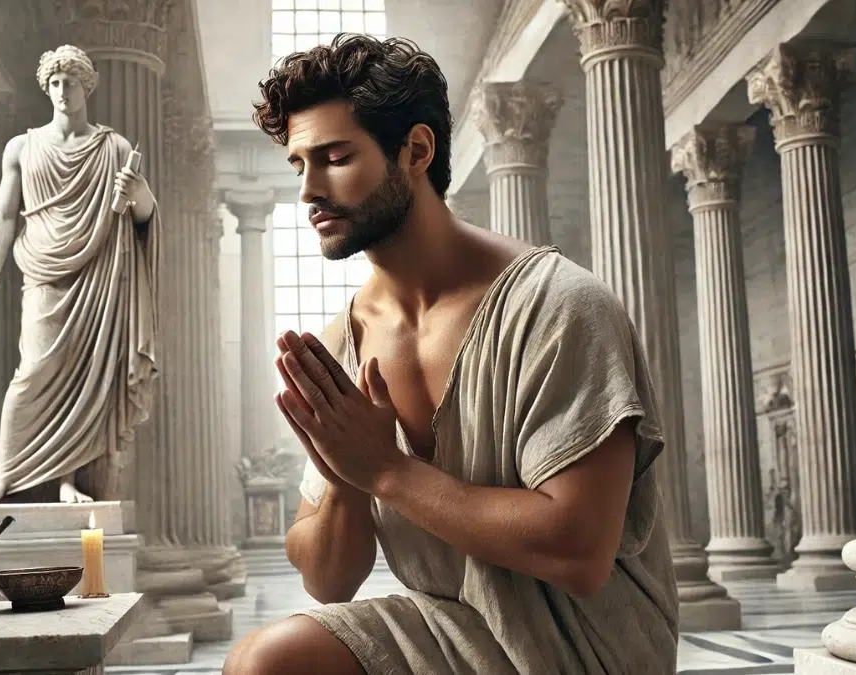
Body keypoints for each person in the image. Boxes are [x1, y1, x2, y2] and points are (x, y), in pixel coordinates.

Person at [223, 34, 679, 675]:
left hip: (585, 645)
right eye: (300, 165)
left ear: (415, 150)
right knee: (264, 663)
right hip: (453, 627)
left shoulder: (559, 305)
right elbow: (328, 580)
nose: (309, 190)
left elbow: (579, 552)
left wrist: (385, 471)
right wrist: (347, 473)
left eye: (334, 157)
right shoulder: (337, 345)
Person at [0, 45, 159, 505]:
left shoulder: (115, 148)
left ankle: (68, 481)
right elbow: (5, 215)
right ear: (46, 88)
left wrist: (139, 192)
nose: (62, 90)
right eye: (54, 83)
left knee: (86, 382)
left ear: (87, 86)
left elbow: (142, 217)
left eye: (70, 81)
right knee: (31, 375)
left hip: (101, 275)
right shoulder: (23, 147)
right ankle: (5, 476)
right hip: (44, 272)